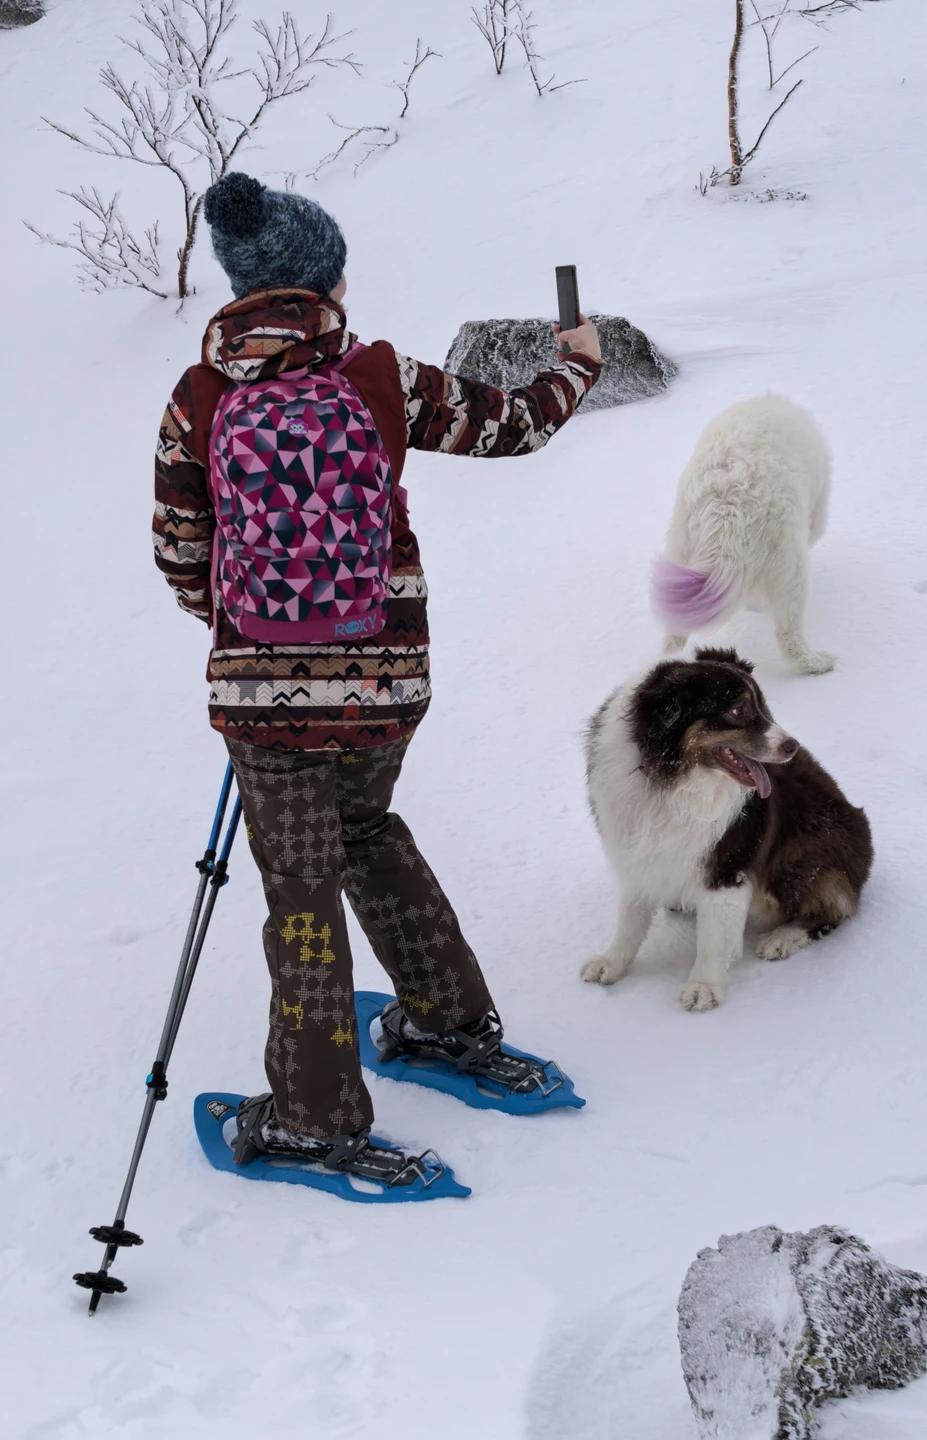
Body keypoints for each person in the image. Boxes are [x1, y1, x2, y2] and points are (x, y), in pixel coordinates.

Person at [153, 171, 602, 1178]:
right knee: (367, 830)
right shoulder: (381, 376)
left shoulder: (199, 396)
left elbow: (181, 546)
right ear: (325, 282)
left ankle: (315, 1114)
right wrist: (575, 364)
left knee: (301, 889)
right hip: (386, 680)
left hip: (262, 700)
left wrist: (240, 632)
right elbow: (515, 424)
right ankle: (449, 1022)